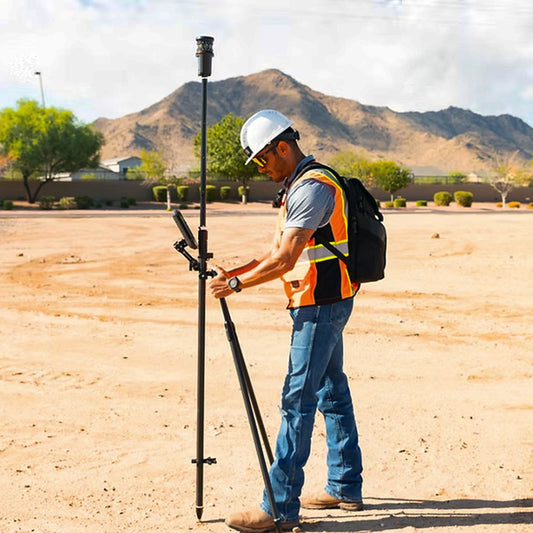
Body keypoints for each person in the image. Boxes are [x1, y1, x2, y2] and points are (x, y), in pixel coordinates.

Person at [209, 109, 364, 533]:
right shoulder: (299, 185)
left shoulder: (313, 187)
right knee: (332, 391)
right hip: (323, 301)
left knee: (297, 400)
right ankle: (345, 486)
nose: (262, 168)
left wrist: (239, 287)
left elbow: (286, 258)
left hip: (321, 305)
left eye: (263, 159)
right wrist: (234, 272)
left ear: (283, 147)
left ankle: (278, 506)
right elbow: (273, 251)